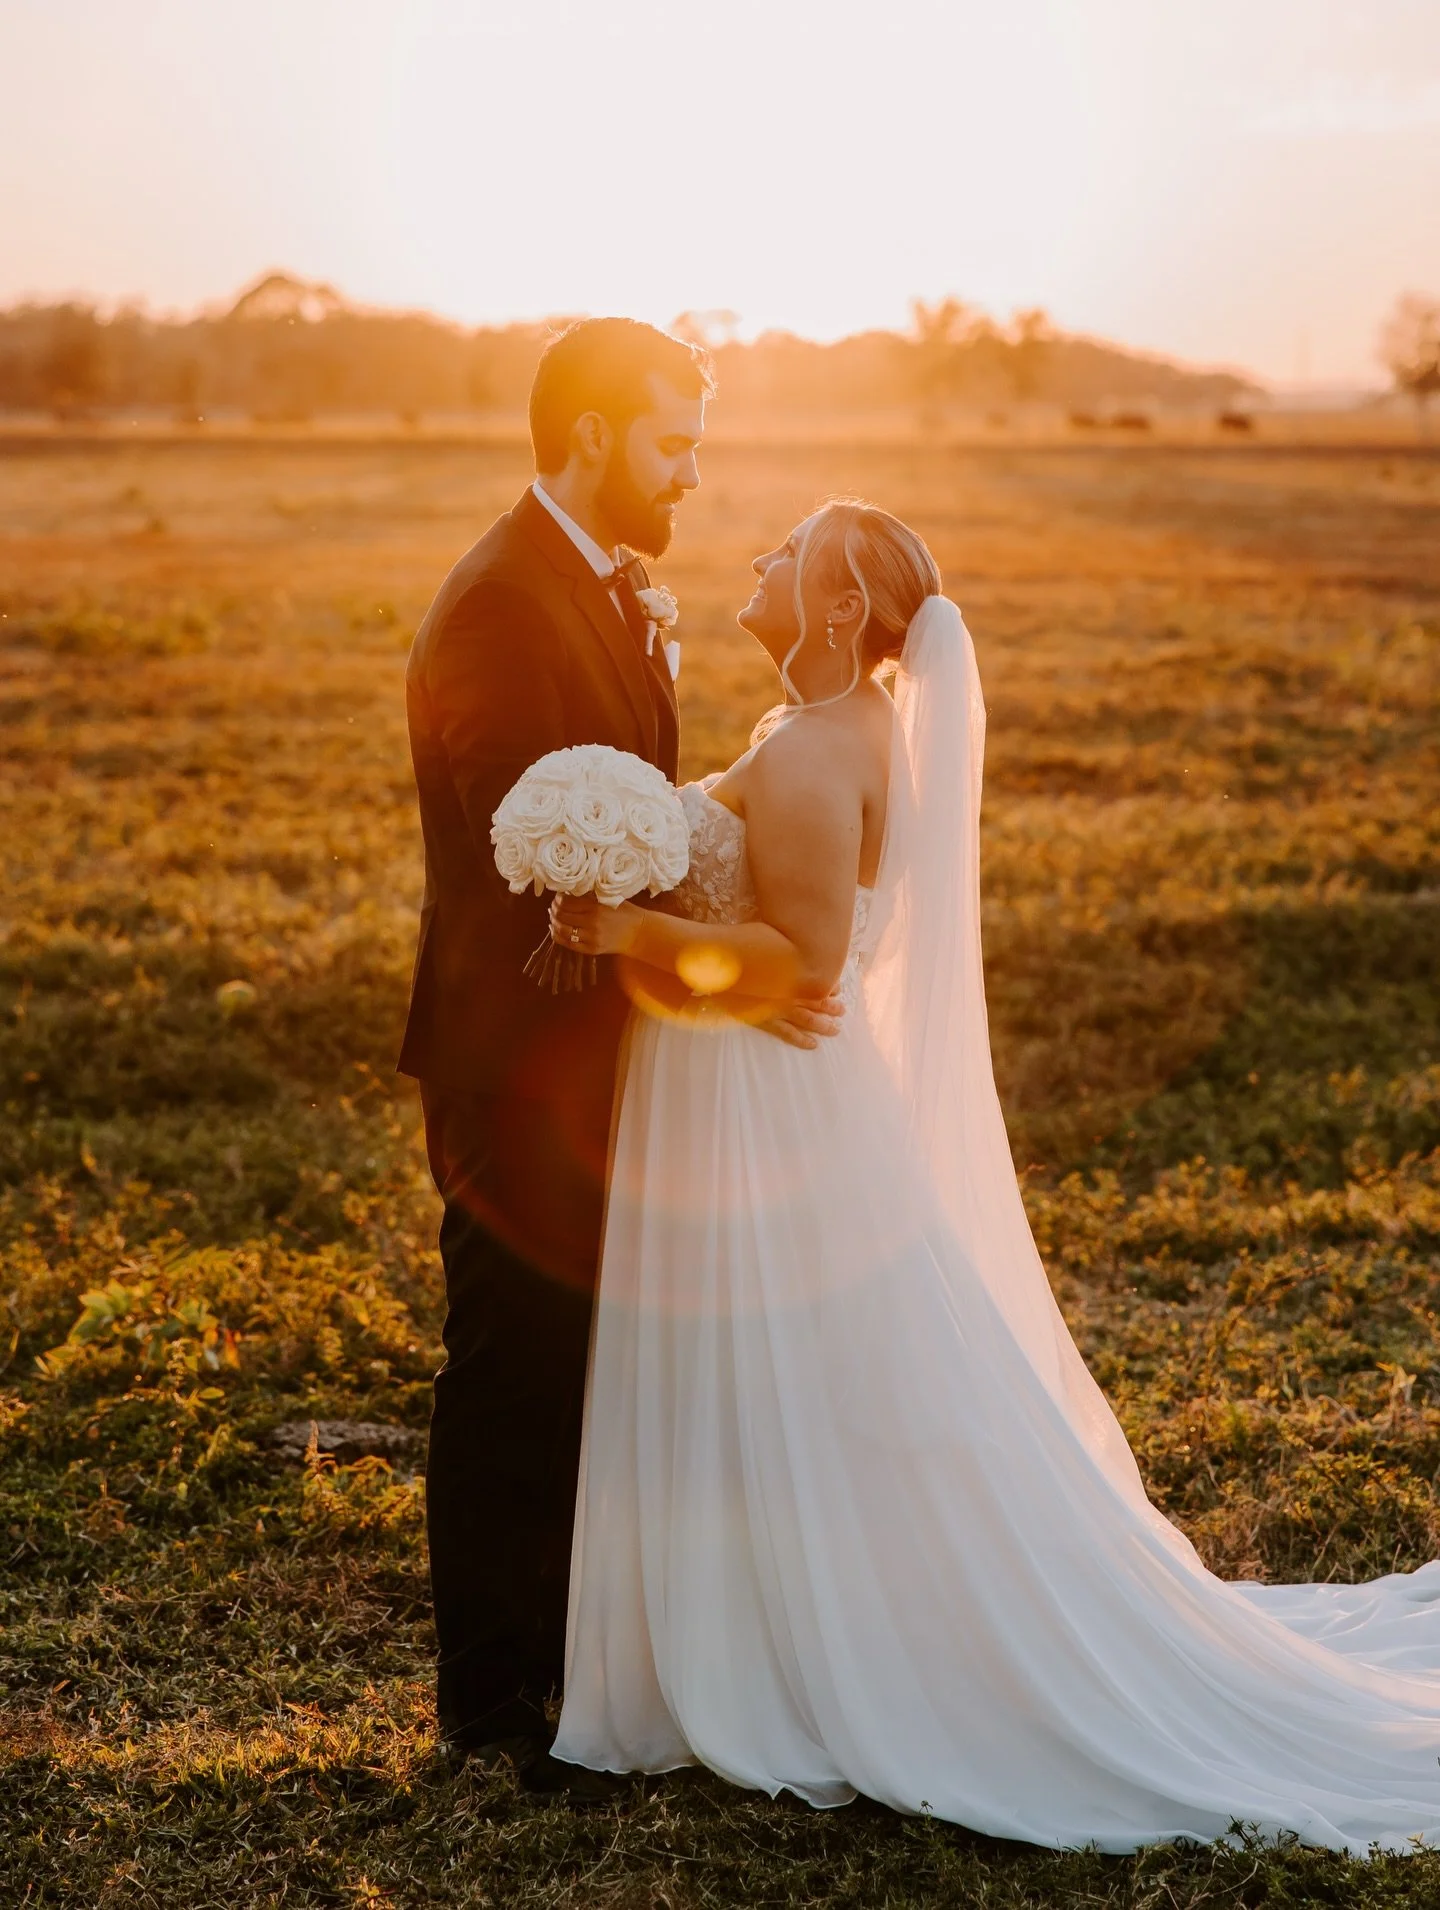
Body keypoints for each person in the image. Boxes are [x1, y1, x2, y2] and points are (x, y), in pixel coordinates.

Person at [548, 498, 1440, 1853]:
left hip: (763, 1102)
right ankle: (768, 1628)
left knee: (809, 1374)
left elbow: (799, 967)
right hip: (752, 1091)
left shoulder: (813, 755)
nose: (755, 562)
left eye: (785, 554)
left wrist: (623, 927)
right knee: (809, 1377)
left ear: (841, 610)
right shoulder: (821, 730)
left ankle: (812, 1653)